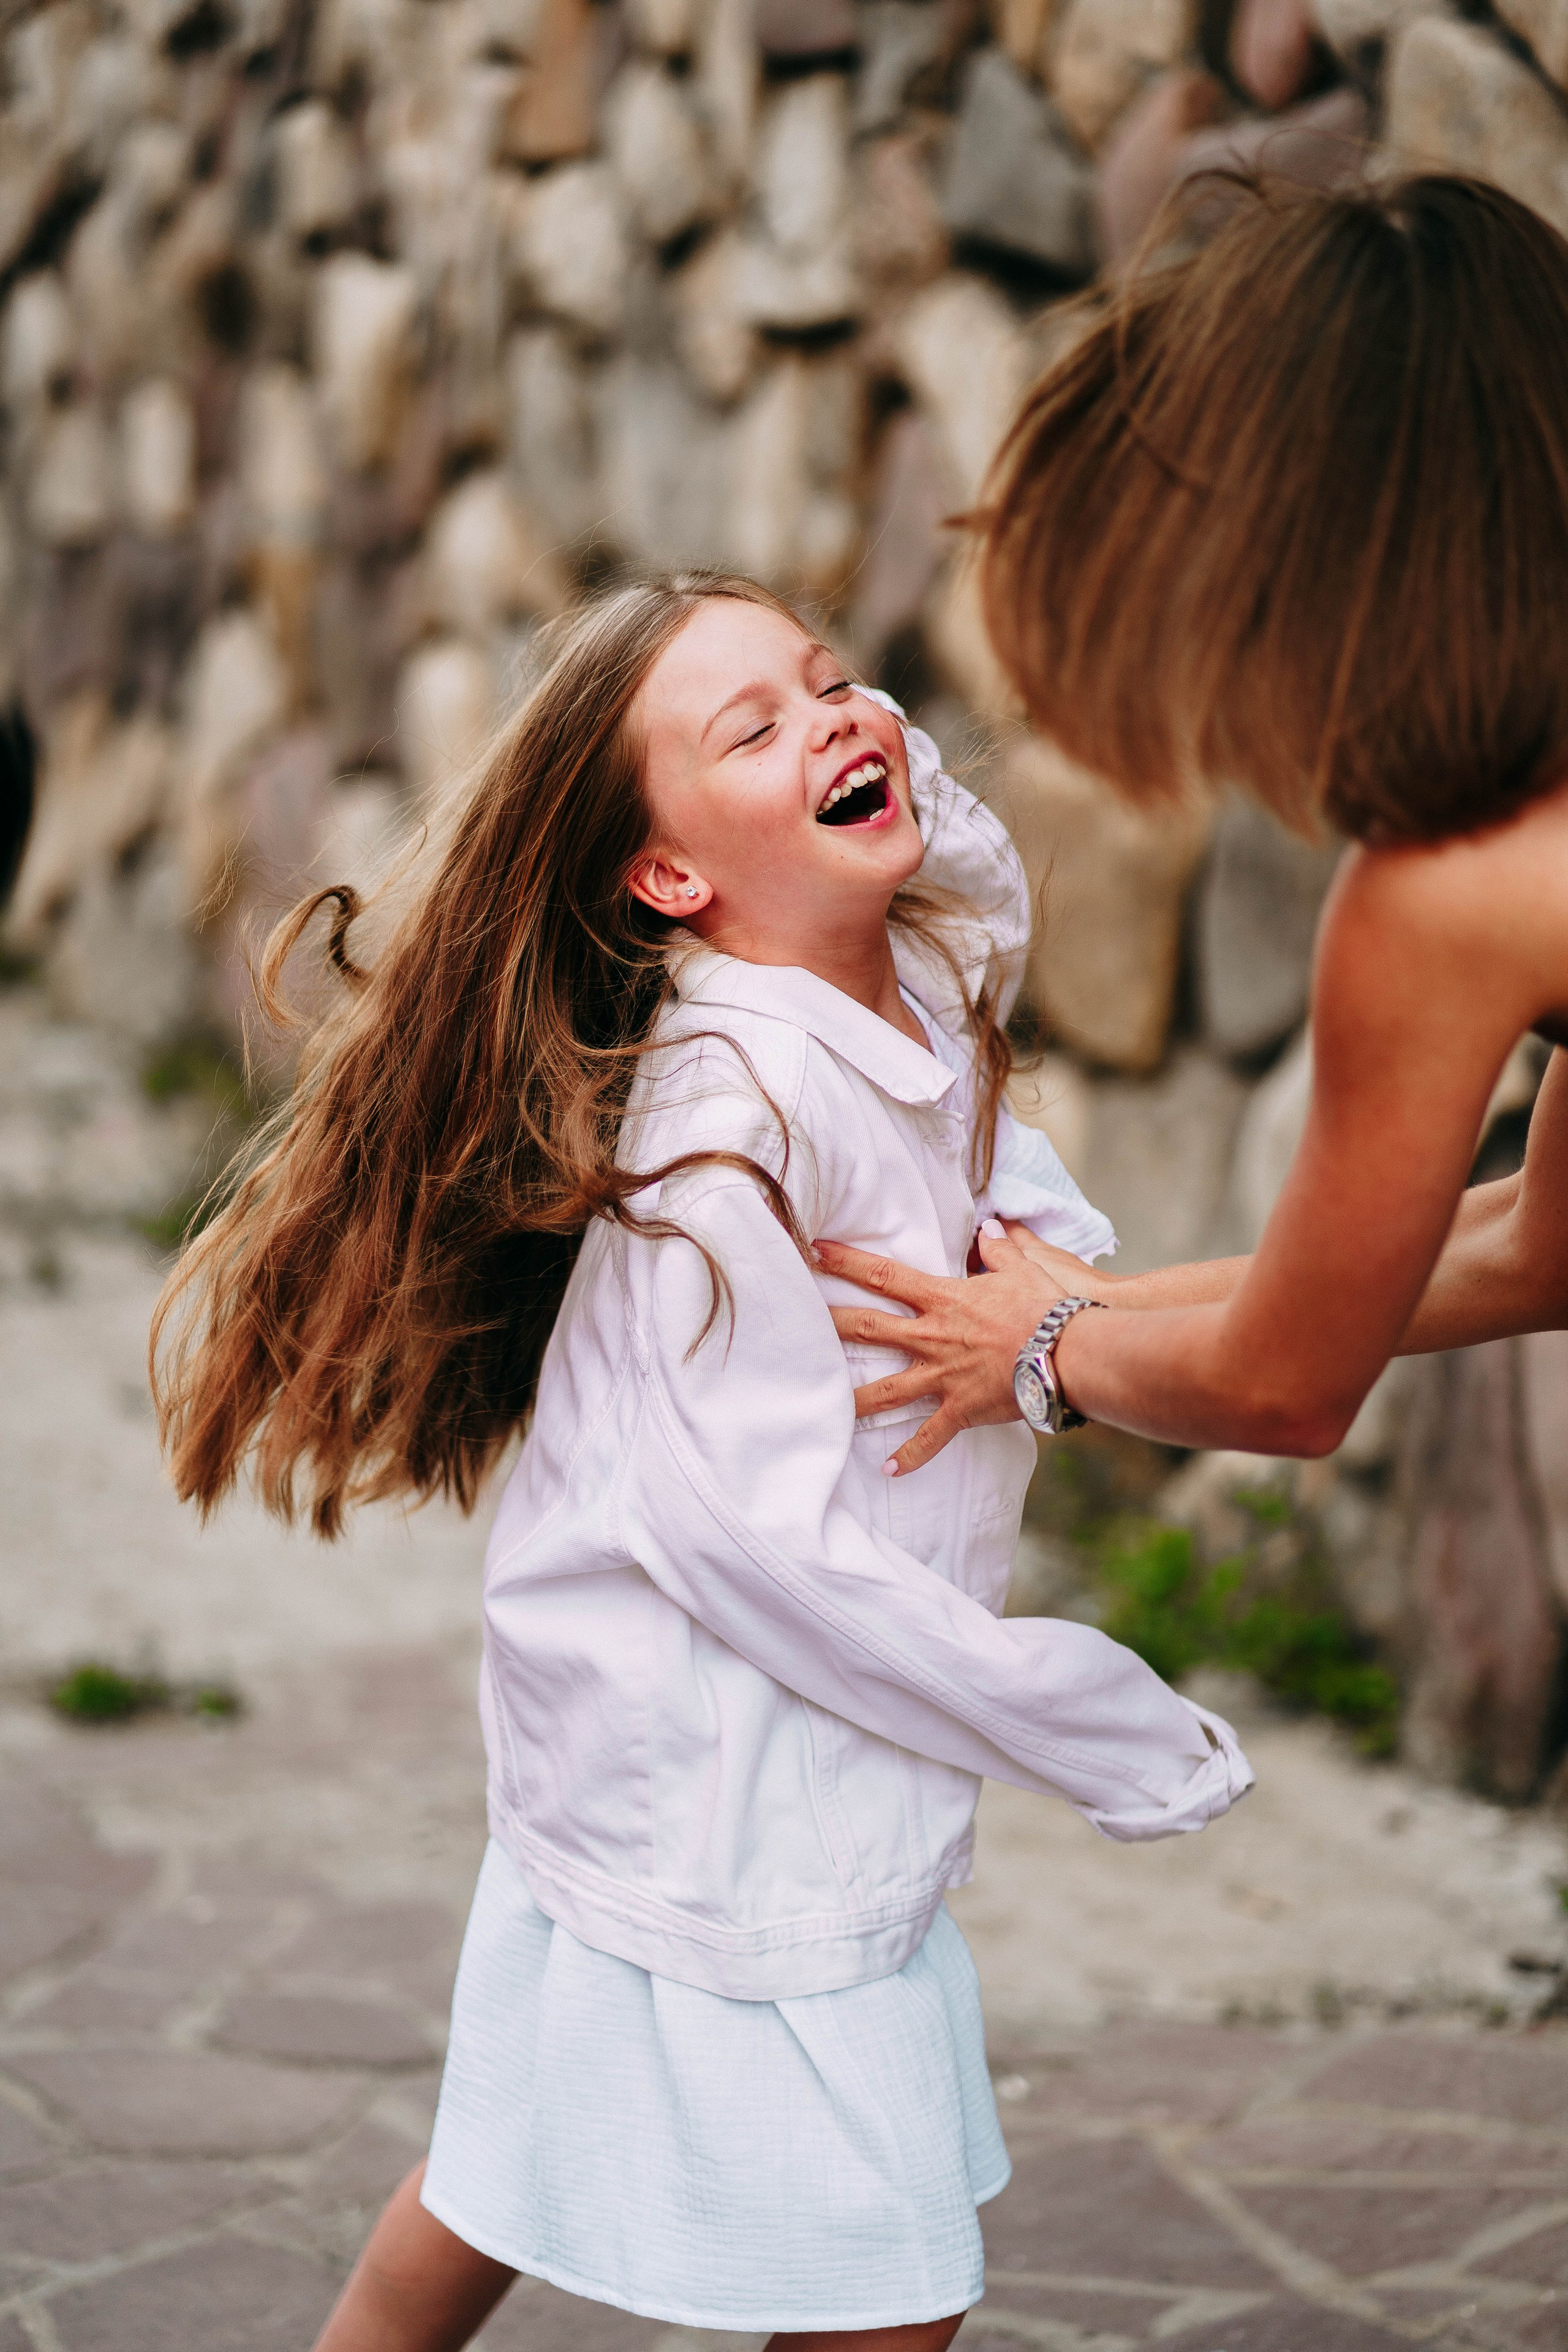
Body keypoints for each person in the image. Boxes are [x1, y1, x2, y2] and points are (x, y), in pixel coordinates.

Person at [152, 574, 1251, 2352]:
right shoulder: (722, 1132)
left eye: (835, 682)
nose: (836, 719)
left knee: (502, 2161)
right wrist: (1079, 1716)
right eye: (755, 726)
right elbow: (753, 1545)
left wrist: (1067, 1309)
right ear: (668, 879)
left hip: (771, 1721)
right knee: (878, 2292)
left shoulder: (909, 974)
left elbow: (981, 1015)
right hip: (726, 1753)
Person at [815, 173, 1568, 1477]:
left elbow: (1285, 1387)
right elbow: (1537, 1247)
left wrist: (1039, 1354)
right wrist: (1079, 1307)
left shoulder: (1449, 893)